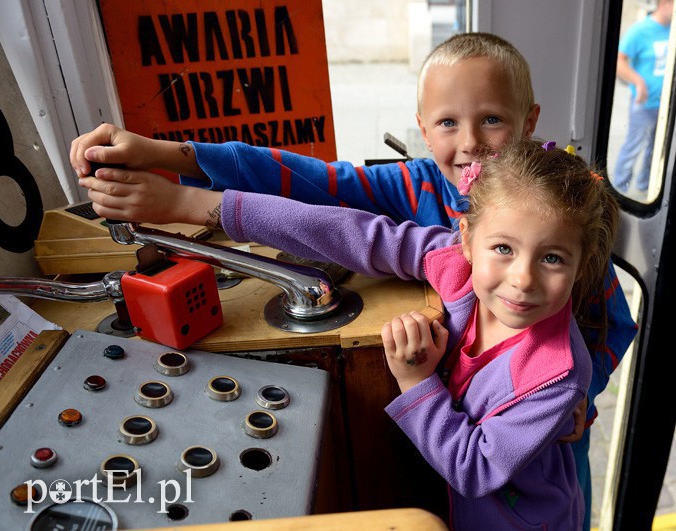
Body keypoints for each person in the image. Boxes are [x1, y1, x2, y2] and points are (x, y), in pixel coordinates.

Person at [71, 32, 638, 529]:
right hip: (452, 435)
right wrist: (173, 163)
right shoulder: (418, 195)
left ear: (528, 121)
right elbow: (316, 190)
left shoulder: (559, 221)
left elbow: (613, 324)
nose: (470, 143)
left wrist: (579, 403)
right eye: (448, 122)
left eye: (492, 118)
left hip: (536, 446)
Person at [611, 0, 673, 196]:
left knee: (656, 149)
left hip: (666, 103)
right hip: (644, 103)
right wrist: (638, 82)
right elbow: (619, 60)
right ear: (664, 3)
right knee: (634, 146)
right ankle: (618, 190)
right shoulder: (640, 30)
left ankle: (644, 185)